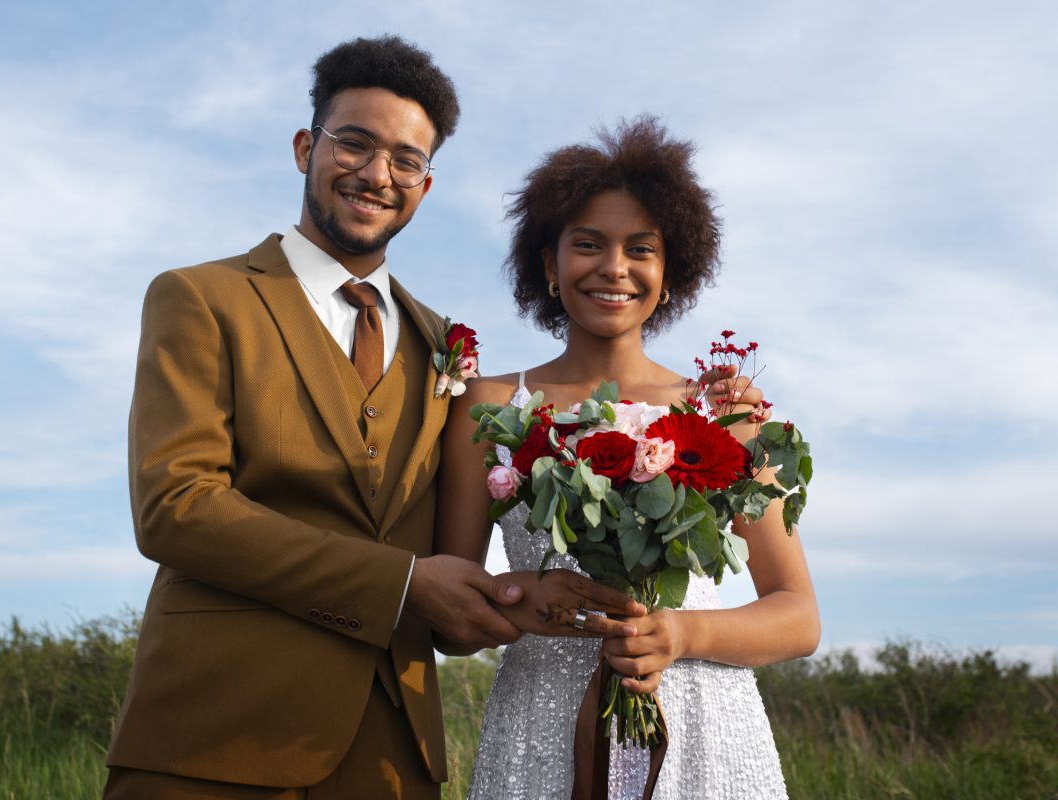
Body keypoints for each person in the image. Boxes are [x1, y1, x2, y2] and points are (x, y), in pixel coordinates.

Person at [103, 37, 715, 800]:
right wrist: (399, 585)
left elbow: (445, 564)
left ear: (425, 186)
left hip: (393, 756)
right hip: (215, 734)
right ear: (305, 148)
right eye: (354, 143)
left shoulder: (441, 345)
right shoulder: (202, 298)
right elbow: (175, 508)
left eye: (405, 160)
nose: (375, 174)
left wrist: (524, 594)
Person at [436, 117, 820, 799]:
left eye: (639, 248)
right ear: (548, 265)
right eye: (587, 244)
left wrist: (679, 633)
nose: (613, 266)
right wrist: (536, 609)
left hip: (702, 725)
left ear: (671, 272)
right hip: (538, 729)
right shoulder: (486, 405)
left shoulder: (726, 412)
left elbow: (798, 616)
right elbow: (451, 615)